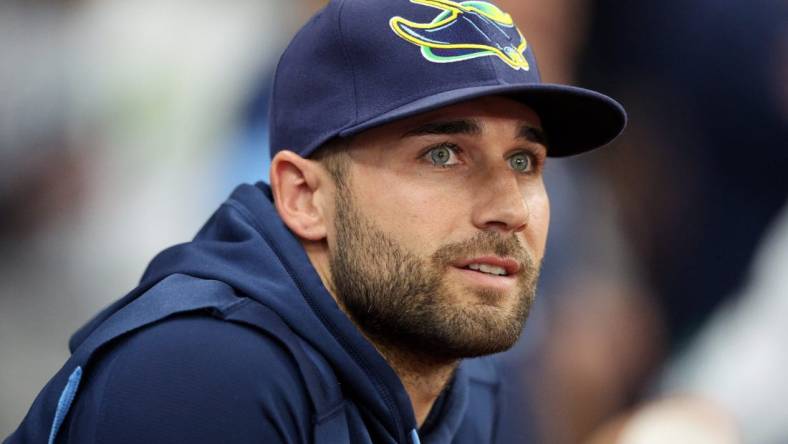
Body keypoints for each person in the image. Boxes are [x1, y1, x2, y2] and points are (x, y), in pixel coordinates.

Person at [6, 1, 625, 443]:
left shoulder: (463, 378)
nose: (510, 209)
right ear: (303, 196)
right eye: (442, 154)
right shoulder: (203, 372)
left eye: (524, 160)